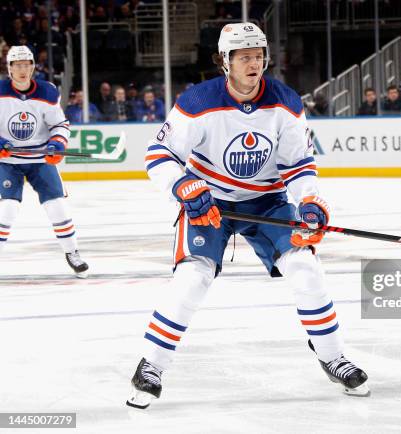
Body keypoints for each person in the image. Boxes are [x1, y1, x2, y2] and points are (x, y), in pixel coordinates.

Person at [126, 22, 369, 409]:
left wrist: (308, 202)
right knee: (193, 276)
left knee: (305, 268)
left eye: (258, 56)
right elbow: (159, 156)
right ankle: (151, 366)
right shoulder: (198, 101)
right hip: (209, 205)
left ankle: (333, 355)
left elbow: (299, 164)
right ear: (226, 61)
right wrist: (184, 187)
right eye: (244, 57)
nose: (253, 63)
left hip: (267, 201)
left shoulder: (285, 102)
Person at [0, 46, 88, 277]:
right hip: (8, 162)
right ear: (9, 68)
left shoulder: (47, 92)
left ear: (32, 67)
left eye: (26, 64)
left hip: (40, 158)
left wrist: (57, 144)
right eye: (17, 65)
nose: (22, 70)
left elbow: (59, 124)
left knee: (56, 205)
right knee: (7, 209)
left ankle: (72, 252)